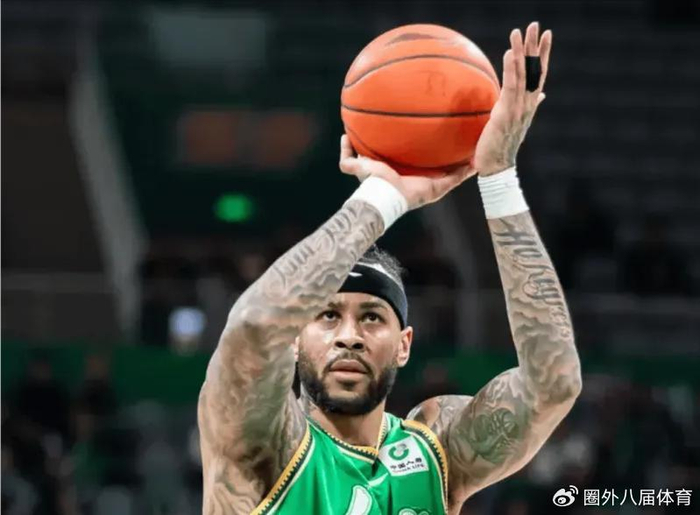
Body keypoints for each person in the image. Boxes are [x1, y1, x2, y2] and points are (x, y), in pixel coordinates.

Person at [198, 22, 582, 514]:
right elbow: (253, 325)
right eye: (328, 315)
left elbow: (554, 382)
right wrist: (386, 196)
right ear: (294, 338)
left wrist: (499, 178)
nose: (350, 336)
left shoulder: (436, 449)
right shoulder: (263, 442)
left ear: (404, 344)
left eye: (372, 317)